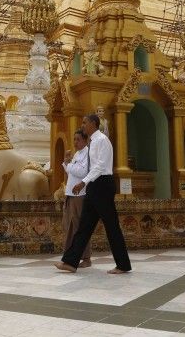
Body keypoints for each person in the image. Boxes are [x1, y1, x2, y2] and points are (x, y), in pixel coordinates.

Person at [56, 113, 131, 274]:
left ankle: (123, 264)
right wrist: (86, 183)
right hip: (94, 185)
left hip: (102, 185)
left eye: (85, 122)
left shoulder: (102, 140)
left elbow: (100, 166)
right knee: (84, 225)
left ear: (93, 124)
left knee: (111, 226)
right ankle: (70, 262)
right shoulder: (93, 142)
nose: (82, 125)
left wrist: (83, 182)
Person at [61, 130, 93, 268]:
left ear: (85, 141)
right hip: (71, 194)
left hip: (80, 195)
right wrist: (66, 162)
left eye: (78, 139)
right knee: (69, 226)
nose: (75, 142)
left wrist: (69, 165)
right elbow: (71, 172)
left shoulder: (87, 154)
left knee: (81, 227)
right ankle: (69, 256)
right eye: (74, 139)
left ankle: (86, 258)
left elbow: (82, 172)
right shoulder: (77, 154)